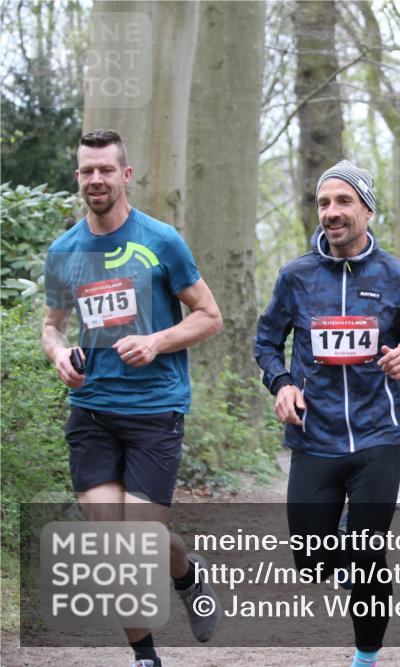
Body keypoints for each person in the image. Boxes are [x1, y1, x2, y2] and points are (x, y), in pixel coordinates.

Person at [254, 160, 400, 667]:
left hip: (376, 438)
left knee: (364, 557)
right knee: (311, 560)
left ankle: (366, 657)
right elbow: (266, 341)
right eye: (324, 203)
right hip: (313, 437)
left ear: (367, 209)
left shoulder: (398, 279)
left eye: (343, 202)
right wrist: (282, 383)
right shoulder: (296, 277)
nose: (332, 213)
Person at [41, 129, 224, 667]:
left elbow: (210, 316)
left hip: (154, 413)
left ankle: (187, 574)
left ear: (126, 175)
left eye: (105, 170)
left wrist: (156, 341)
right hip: (92, 413)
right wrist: (59, 356)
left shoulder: (161, 240)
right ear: (78, 178)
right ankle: (146, 657)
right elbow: (52, 326)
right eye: (86, 171)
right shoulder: (64, 251)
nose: (95, 180)